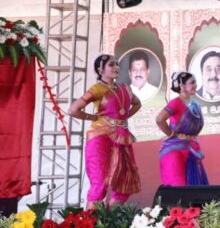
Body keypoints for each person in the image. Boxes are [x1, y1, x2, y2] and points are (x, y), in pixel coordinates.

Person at [67, 54, 141, 206]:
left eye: (116, 64)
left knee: (124, 182)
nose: (116, 67)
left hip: (122, 137)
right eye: (111, 65)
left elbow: (137, 104)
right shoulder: (97, 89)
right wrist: (92, 117)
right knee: (100, 182)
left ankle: (109, 219)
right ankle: (90, 220)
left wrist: (123, 117)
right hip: (100, 138)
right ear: (100, 70)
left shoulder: (125, 88)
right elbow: (73, 110)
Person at [155, 71, 209, 186]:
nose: (195, 85)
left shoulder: (196, 105)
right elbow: (160, 120)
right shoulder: (175, 103)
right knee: (179, 186)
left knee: (195, 188)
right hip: (175, 151)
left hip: (192, 149)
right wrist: (171, 134)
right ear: (182, 86)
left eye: (195, 82)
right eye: (192, 83)